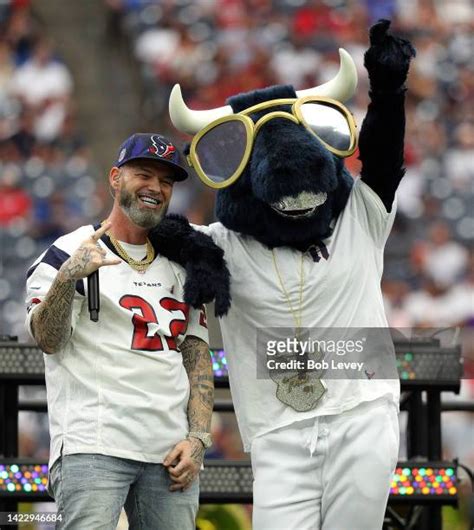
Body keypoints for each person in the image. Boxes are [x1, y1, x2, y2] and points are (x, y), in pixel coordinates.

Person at [168, 21, 415, 530]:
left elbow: (385, 161)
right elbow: (156, 233)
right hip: (278, 432)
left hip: (362, 410)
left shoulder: (359, 219)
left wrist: (389, 93)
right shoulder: (221, 246)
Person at [25, 133, 216, 530]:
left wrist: (197, 439)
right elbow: (47, 339)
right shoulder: (69, 249)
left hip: (170, 452)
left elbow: (196, 355)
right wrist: (68, 279)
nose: (155, 188)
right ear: (115, 178)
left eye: (166, 182)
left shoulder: (182, 265)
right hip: (94, 445)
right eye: (143, 174)